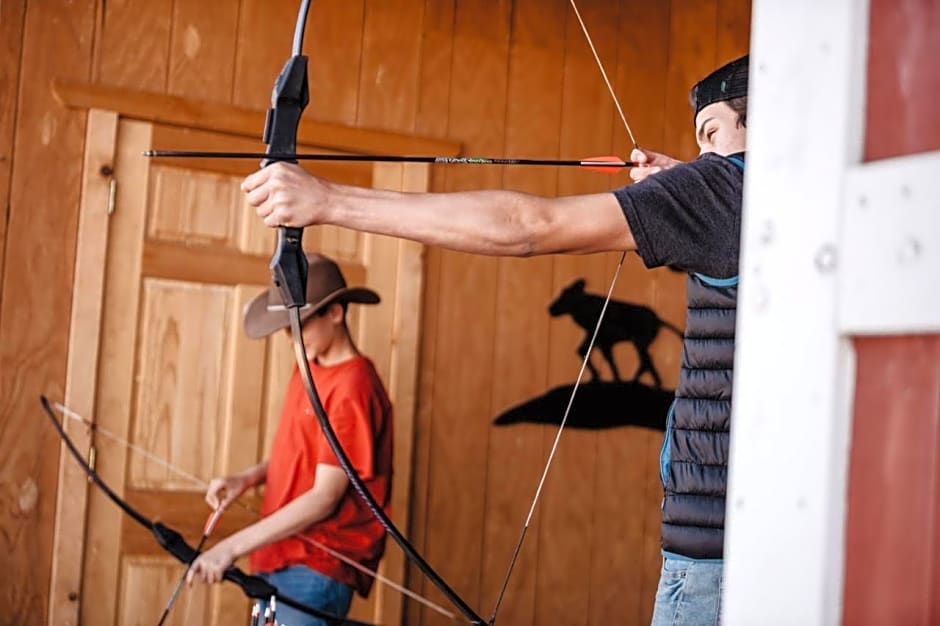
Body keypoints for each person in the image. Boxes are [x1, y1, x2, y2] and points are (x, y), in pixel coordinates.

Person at [242, 55, 750, 626]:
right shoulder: (766, 203)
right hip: (743, 546)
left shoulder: (726, 188)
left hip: (712, 564)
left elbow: (528, 227)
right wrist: (685, 188)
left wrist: (328, 202)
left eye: (712, 135)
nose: (704, 159)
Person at [185, 253, 394, 626]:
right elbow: (306, 457)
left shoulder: (353, 387)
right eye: (285, 328)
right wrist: (248, 478)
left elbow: (324, 497)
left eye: (299, 325)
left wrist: (230, 548)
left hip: (315, 568)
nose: (290, 339)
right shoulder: (308, 370)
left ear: (335, 313)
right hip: (277, 555)